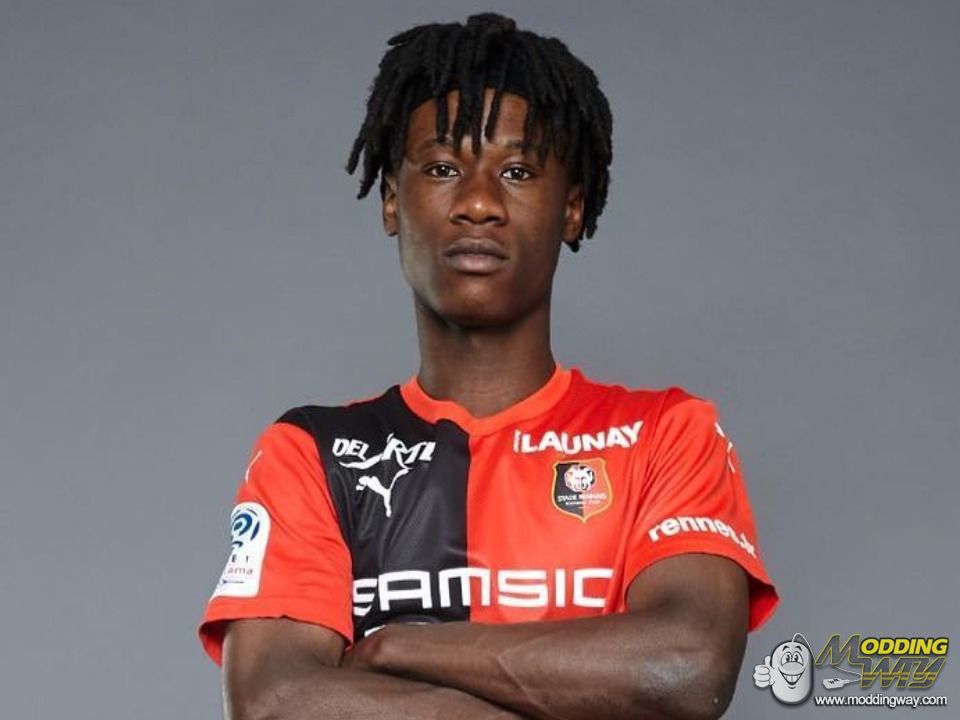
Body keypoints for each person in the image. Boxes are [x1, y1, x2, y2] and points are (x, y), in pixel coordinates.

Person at [198, 12, 778, 720]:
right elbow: (276, 699)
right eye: (443, 168)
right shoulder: (310, 456)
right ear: (392, 199)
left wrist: (393, 648)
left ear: (571, 208)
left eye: (517, 171)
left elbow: (685, 668)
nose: (478, 203)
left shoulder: (667, 435)